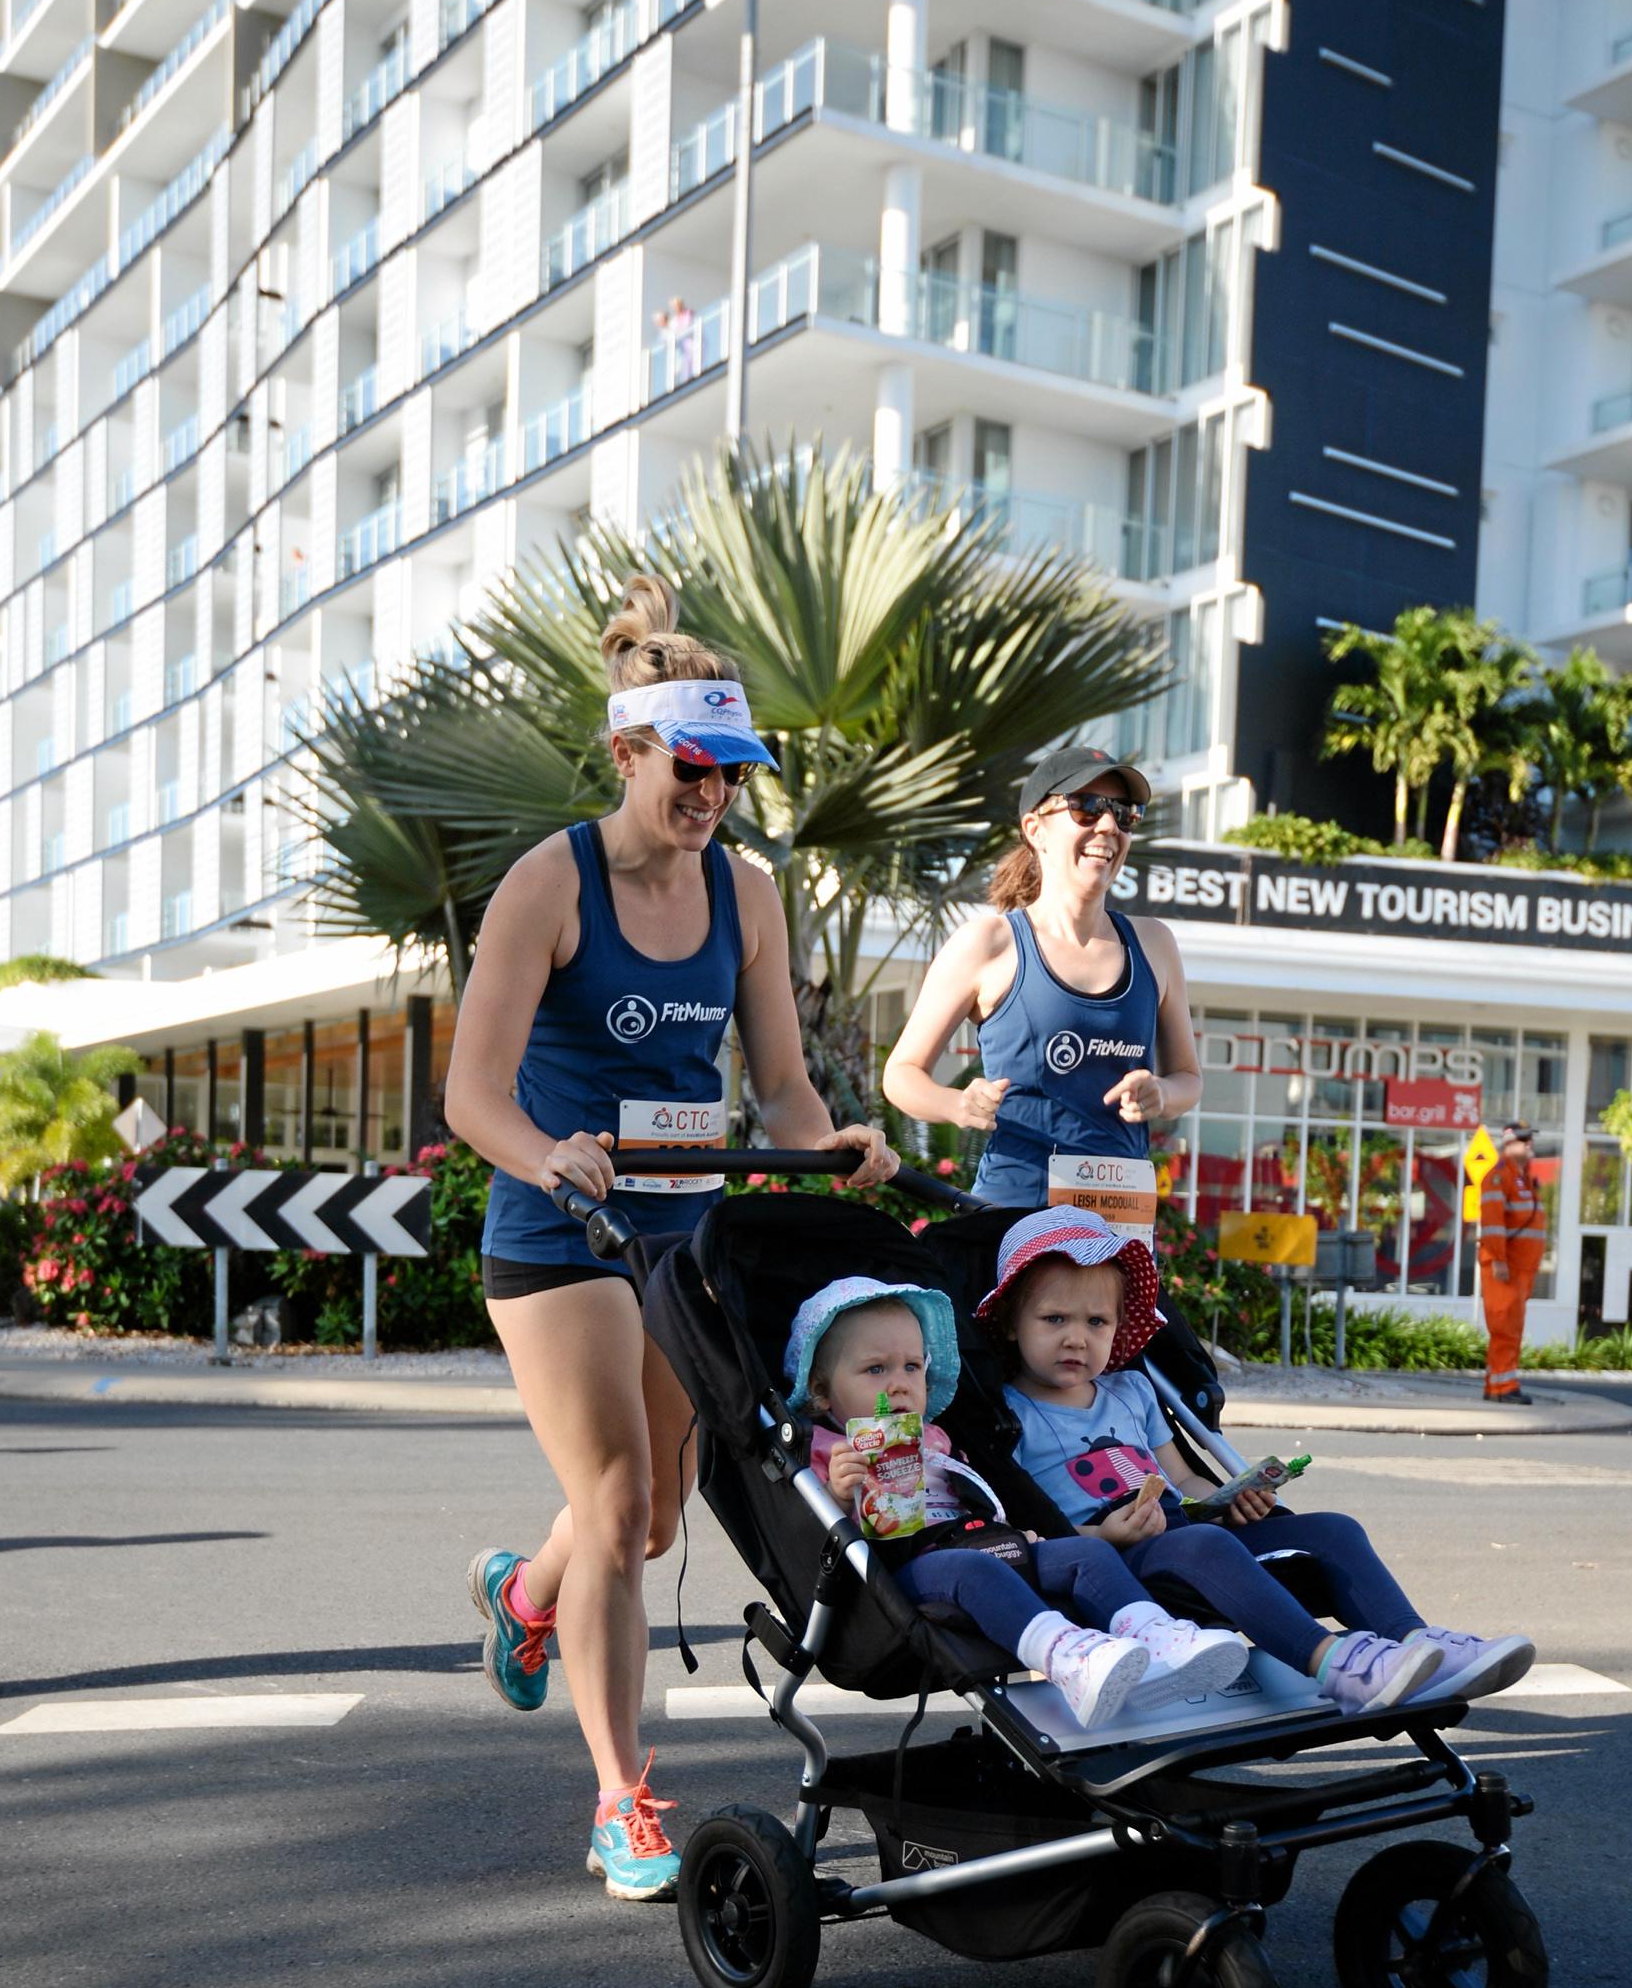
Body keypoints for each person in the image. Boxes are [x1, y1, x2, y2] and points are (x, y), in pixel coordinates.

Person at [446, 574, 896, 1901]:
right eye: (691, 768)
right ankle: (619, 1797)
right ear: (629, 746)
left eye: (733, 775)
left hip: (679, 1228)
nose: (711, 796)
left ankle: (526, 1594)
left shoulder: (747, 894)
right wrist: (547, 1151)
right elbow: (471, 1091)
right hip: (558, 1227)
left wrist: (831, 1139)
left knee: (638, 1526)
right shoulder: (549, 882)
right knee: (615, 1499)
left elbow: (784, 1083)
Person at [980, 1209, 1536, 1712]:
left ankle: (1415, 1643)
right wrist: (1100, 1535)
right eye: (1055, 1320)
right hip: (1113, 1560)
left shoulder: (1131, 1391)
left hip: (1186, 1534)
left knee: (1334, 1530)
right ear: (1011, 1323)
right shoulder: (1007, 1412)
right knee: (1204, 1543)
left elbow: (1183, 1478)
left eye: (1096, 1323)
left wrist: (1226, 1500)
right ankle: (1336, 1665)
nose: (1077, 1338)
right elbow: (1014, 1532)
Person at [787, 1275, 1248, 1729]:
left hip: (978, 1542)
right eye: (875, 1370)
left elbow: (970, 1497)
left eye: (912, 1367)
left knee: (1084, 1551)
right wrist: (836, 1494)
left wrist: (1005, 1530)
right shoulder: (828, 1450)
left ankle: (1158, 1639)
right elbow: (805, 1542)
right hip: (910, 1566)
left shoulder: (937, 1439)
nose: (901, 1384)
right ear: (823, 1392)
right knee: (974, 1570)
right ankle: (1068, 1659)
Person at [883, 746, 1199, 1229]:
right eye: (1086, 807)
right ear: (1036, 829)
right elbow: (901, 1074)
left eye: (1123, 814)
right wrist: (957, 1104)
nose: (1108, 827)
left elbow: (1188, 1079)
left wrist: (1161, 1092)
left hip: (1120, 1226)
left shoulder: (1155, 944)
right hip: (1017, 1221)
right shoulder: (988, 943)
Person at [1479, 1121, 1546, 1405]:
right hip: (1504, 1267)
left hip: (1520, 1268)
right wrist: (1499, 1260)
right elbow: (1493, 1224)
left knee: (1511, 1328)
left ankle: (1499, 1386)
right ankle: (1504, 1386)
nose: (1529, 1144)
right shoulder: (1499, 1177)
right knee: (1504, 1327)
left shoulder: (1523, 1179)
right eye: (1524, 1140)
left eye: (1530, 1139)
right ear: (1508, 1145)